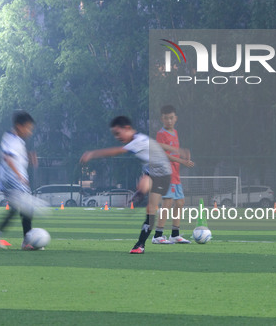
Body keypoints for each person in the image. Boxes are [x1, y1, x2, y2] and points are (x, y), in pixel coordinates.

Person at [80, 116, 187, 254]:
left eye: (118, 133)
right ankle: (139, 197)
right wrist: (177, 150)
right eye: (114, 134)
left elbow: (117, 151)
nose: (117, 137)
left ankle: (140, 245)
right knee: (142, 188)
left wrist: (92, 154)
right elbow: (156, 144)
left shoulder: (137, 141)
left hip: (163, 176)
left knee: (151, 208)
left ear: (127, 129)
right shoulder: (140, 138)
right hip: (149, 172)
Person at [0, 110, 39, 250]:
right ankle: (27, 242)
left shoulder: (15, 140)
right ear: (20, 126)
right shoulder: (12, 139)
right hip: (12, 179)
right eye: (28, 128)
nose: (30, 132)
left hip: (11, 179)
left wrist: (28, 156)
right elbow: (8, 158)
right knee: (27, 208)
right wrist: (19, 175)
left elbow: (15, 157)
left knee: (20, 208)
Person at [152, 105, 195, 244]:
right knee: (167, 202)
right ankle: (158, 235)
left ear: (175, 118)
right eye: (166, 118)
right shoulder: (161, 134)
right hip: (166, 173)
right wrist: (181, 160)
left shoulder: (175, 132)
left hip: (175, 174)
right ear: (162, 119)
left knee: (180, 202)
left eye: (171, 118)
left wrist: (184, 156)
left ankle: (175, 234)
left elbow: (175, 151)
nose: (169, 121)